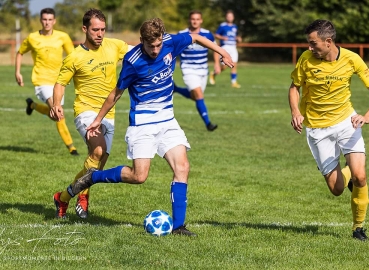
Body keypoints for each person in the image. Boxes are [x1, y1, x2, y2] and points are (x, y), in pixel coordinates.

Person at [55, 18, 234, 236]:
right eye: (151, 46)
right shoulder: (133, 60)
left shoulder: (170, 42)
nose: (156, 50)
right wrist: (97, 120)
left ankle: (178, 226)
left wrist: (222, 51)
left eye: (158, 45)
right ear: (142, 41)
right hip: (142, 124)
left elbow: (195, 37)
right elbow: (116, 93)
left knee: (183, 168)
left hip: (168, 120)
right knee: (139, 177)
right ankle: (93, 177)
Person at [289, 19, 369, 241]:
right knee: (337, 189)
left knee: (361, 177)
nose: (310, 48)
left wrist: (365, 116)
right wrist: (295, 112)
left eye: (313, 43)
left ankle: (358, 228)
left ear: (328, 41)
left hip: (346, 123)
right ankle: (347, 171)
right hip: (317, 129)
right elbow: (294, 87)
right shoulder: (306, 60)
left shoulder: (352, 59)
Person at [50, 8, 130, 219]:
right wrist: (57, 103)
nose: (100, 34)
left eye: (103, 29)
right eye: (95, 29)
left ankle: (63, 198)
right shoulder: (75, 57)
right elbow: (60, 83)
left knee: (98, 164)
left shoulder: (114, 46)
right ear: (85, 29)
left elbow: (139, 51)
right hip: (85, 111)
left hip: (108, 114)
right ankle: (83, 198)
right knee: (97, 151)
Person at [15, 8, 79, 156]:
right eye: (44, 19)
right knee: (58, 113)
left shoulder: (62, 37)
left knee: (53, 114)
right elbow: (20, 53)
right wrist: (17, 72)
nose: (47, 22)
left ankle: (32, 105)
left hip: (59, 81)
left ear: (54, 21)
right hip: (41, 80)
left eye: (50, 20)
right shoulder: (32, 38)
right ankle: (72, 148)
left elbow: (74, 56)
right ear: (40, 20)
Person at [173, 10, 220, 132]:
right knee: (199, 95)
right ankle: (208, 124)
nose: (195, 21)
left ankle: (176, 89)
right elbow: (174, 50)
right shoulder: (182, 34)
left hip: (203, 70)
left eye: (197, 19)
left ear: (201, 20)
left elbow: (215, 49)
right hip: (188, 69)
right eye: (193, 19)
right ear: (189, 20)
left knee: (196, 97)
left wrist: (217, 64)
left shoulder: (207, 34)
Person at [209, 10, 242, 88]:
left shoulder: (235, 27)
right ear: (226, 17)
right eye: (228, 16)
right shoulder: (223, 26)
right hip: (225, 47)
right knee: (224, 66)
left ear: (233, 17)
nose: (229, 18)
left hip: (233, 47)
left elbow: (237, 36)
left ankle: (233, 82)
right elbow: (216, 35)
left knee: (234, 65)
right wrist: (222, 37)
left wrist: (239, 39)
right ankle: (214, 73)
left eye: (231, 16)